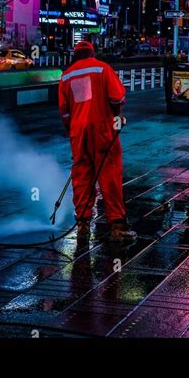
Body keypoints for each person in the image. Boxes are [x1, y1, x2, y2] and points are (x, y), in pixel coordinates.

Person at [58, 40, 136, 242]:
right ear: (93, 53)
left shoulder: (66, 75)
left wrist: (73, 131)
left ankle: (83, 223)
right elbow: (117, 98)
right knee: (109, 173)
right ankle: (117, 226)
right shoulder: (102, 69)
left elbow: (64, 113)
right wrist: (116, 115)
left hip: (78, 132)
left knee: (82, 175)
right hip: (102, 129)